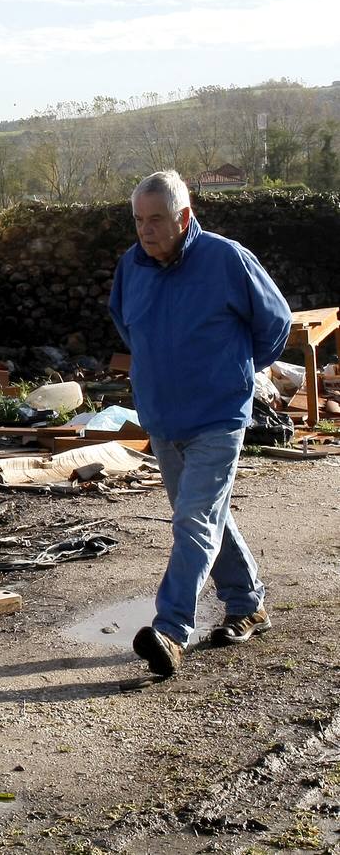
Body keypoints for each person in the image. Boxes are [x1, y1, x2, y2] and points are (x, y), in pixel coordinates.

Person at [108, 169, 292, 676]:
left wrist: (233, 370)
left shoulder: (226, 259)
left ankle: (170, 631)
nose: (146, 231)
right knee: (206, 517)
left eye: (157, 220)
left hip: (217, 414)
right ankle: (246, 601)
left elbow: (275, 324)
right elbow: (127, 322)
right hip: (164, 416)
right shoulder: (132, 267)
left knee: (192, 520)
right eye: (139, 221)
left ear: (184, 216)